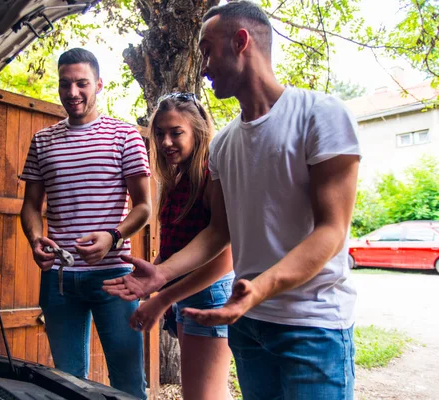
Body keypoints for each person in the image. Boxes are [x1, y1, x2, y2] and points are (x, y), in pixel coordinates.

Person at [103, 1, 361, 399]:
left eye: (207, 49)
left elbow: (332, 230)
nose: (202, 65)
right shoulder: (224, 144)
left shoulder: (320, 114)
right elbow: (218, 231)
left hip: (313, 326)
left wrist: (258, 288)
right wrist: (163, 275)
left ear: (241, 42)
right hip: (249, 325)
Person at [20, 47, 151, 399]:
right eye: (65, 84)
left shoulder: (125, 136)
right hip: (59, 281)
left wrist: (113, 236)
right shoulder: (42, 140)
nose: (72, 93)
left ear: (99, 85)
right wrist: (35, 239)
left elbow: (144, 207)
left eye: (81, 83)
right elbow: (30, 207)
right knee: (67, 383)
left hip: (114, 279)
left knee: (128, 382)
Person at [129, 92, 234, 400]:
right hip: (186, 293)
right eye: (159, 133)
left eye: (176, 133)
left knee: (204, 395)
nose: (165, 142)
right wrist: (150, 278)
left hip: (209, 293)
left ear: (198, 133)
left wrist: (163, 297)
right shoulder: (176, 178)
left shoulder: (208, 175)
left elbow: (224, 258)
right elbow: (177, 247)